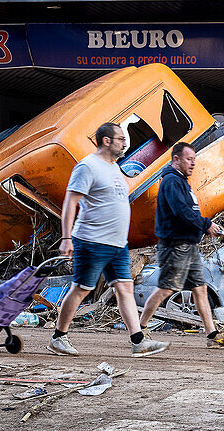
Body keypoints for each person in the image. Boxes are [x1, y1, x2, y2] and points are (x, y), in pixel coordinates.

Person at [48, 122, 169, 358]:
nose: (125, 143)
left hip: (116, 244)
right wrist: (66, 238)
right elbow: (70, 202)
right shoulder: (88, 166)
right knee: (82, 289)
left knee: (124, 288)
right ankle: (58, 337)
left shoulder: (114, 167)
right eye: (121, 139)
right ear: (106, 141)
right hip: (92, 240)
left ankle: (138, 341)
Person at [139, 142, 224, 348]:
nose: (193, 163)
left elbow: (189, 212)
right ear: (176, 159)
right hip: (175, 245)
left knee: (200, 288)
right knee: (166, 288)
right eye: (188, 159)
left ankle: (212, 336)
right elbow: (181, 212)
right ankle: (140, 330)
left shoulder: (181, 182)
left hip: (187, 245)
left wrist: (207, 225)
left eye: (194, 159)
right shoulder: (171, 182)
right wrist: (206, 224)